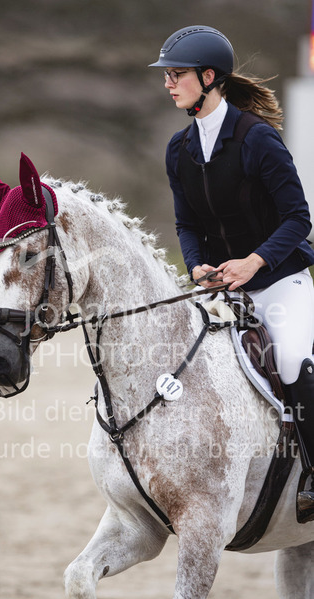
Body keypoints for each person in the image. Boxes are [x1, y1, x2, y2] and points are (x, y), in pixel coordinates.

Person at [150, 25, 314, 523]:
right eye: (166, 76)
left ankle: (312, 474)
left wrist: (255, 261)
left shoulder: (257, 138)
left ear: (208, 77)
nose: (168, 83)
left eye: (176, 74)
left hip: (280, 281)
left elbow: (298, 219)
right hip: (222, 288)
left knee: (292, 361)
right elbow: (186, 224)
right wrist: (195, 264)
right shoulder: (178, 149)